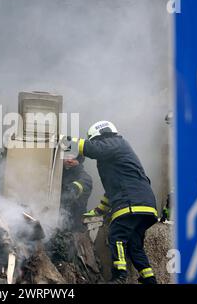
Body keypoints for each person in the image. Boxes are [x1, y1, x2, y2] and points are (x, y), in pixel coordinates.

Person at [62, 121, 158, 284]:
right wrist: (99, 210)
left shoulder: (116, 143)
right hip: (145, 203)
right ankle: (149, 278)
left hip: (131, 201)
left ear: (101, 135)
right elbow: (112, 191)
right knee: (134, 245)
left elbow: (94, 148)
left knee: (116, 234)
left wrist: (67, 140)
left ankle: (120, 276)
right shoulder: (113, 159)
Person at [60, 153, 93, 231]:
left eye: (73, 158)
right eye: (67, 157)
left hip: (74, 229)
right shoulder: (57, 173)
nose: (69, 160)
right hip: (58, 225)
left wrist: (70, 190)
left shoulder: (85, 178)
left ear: (79, 160)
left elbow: (70, 195)